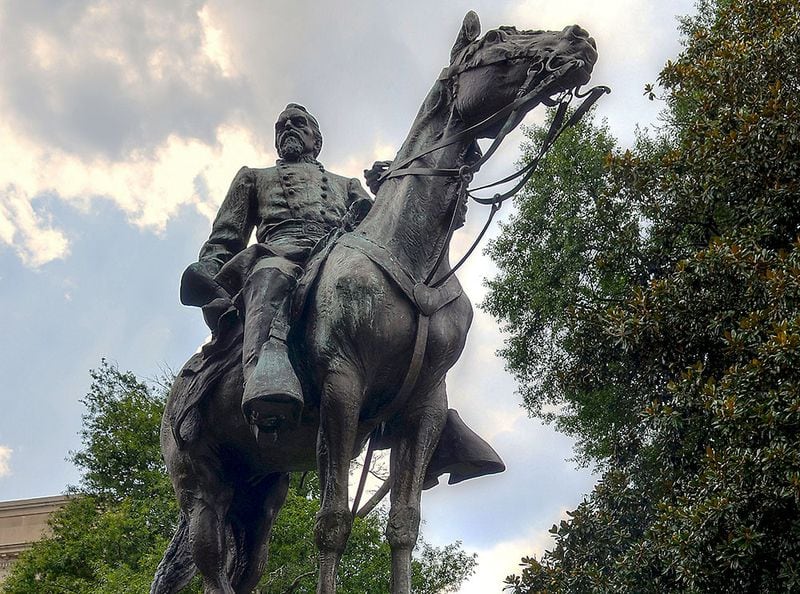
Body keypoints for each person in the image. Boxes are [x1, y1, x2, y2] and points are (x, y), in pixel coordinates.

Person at [180, 103, 372, 432]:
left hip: (340, 252)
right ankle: (263, 381)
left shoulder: (348, 184)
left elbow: (380, 228)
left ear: (317, 139)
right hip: (278, 252)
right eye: (280, 127)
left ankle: (430, 415)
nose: (287, 130)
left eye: (297, 124)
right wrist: (210, 270)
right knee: (269, 276)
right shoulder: (254, 178)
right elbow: (226, 237)